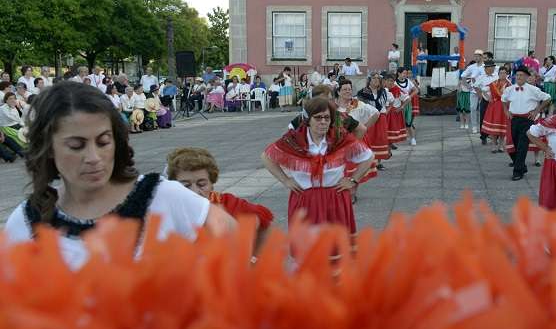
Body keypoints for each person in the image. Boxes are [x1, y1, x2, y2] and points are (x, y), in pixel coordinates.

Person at [2, 83, 236, 270]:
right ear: (48, 149)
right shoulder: (25, 221)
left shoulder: (164, 196)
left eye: (103, 141)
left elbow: (236, 243)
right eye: (76, 146)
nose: (94, 157)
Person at [262, 96, 374, 234]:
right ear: (308, 119)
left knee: (335, 248)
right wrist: (285, 180)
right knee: (307, 249)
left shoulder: (340, 138)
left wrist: (353, 179)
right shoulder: (294, 140)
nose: (323, 122)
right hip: (304, 201)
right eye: (318, 117)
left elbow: (369, 157)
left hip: (335, 199)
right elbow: (267, 157)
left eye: (327, 118)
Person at [167, 147, 273, 253]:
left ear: (211, 184)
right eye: (186, 185)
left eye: (202, 184)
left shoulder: (229, 203)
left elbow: (262, 225)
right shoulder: (166, 209)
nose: (195, 191)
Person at [501, 66, 551, 181]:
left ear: (527, 77)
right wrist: (506, 110)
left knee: (522, 146)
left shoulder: (533, 89)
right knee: (512, 145)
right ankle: (522, 166)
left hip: (527, 120)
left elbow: (547, 98)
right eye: (517, 75)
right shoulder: (510, 89)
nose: (518, 77)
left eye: (521, 75)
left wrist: (537, 110)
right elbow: (503, 99)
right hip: (514, 119)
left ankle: (517, 171)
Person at [357, 73, 393, 169]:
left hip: (381, 118)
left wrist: (385, 112)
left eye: (378, 78)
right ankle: (368, 162)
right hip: (369, 118)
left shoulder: (383, 91)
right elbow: (358, 106)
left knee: (380, 139)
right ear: (369, 80)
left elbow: (391, 102)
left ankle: (378, 163)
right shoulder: (363, 92)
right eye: (373, 78)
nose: (376, 80)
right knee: (369, 139)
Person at [481, 65, 511, 153]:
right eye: (501, 73)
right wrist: (488, 98)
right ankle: (494, 145)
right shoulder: (494, 83)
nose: (503, 74)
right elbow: (483, 89)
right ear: (498, 74)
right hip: (495, 107)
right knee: (494, 128)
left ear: (507, 74)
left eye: (504, 73)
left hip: (505, 107)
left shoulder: (510, 84)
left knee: (502, 128)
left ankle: (501, 145)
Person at [461, 49, 485, 134]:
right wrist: (468, 86)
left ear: (482, 57)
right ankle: (474, 126)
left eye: (478, 56)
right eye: (475, 56)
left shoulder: (485, 67)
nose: (476, 57)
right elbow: (463, 76)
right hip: (473, 91)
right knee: (473, 108)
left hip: (483, 92)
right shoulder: (471, 67)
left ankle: (483, 127)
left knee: (483, 110)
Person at [476, 60, 499, 145]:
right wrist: (480, 96)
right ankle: (483, 137)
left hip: (495, 101)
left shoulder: (497, 76)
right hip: (485, 101)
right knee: (483, 118)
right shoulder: (481, 77)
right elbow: (476, 87)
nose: (492, 69)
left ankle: (495, 137)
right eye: (489, 67)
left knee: (495, 119)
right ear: (486, 68)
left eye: (492, 67)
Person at [395, 67, 419, 146]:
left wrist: (409, 97)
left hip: (407, 104)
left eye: (406, 73)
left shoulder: (408, 81)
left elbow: (416, 90)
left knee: (408, 123)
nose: (405, 75)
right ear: (399, 73)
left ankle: (412, 138)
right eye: (404, 73)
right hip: (397, 104)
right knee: (396, 122)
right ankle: (393, 140)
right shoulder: (394, 82)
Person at [385, 74, 408, 147]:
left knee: (392, 129)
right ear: (385, 81)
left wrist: (401, 107)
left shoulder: (397, 89)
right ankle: (387, 143)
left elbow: (408, 98)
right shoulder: (383, 90)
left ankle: (390, 143)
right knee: (385, 129)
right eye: (388, 81)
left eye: (392, 81)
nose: (390, 82)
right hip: (386, 111)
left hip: (394, 113)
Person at [456, 61, 472, 129]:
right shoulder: (462, 76)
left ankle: (467, 123)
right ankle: (462, 123)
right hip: (462, 94)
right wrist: (459, 88)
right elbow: (458, 84)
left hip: (468, 94)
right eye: (466, 68)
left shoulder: (472, 77)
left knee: (467, 110)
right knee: (461, 110)